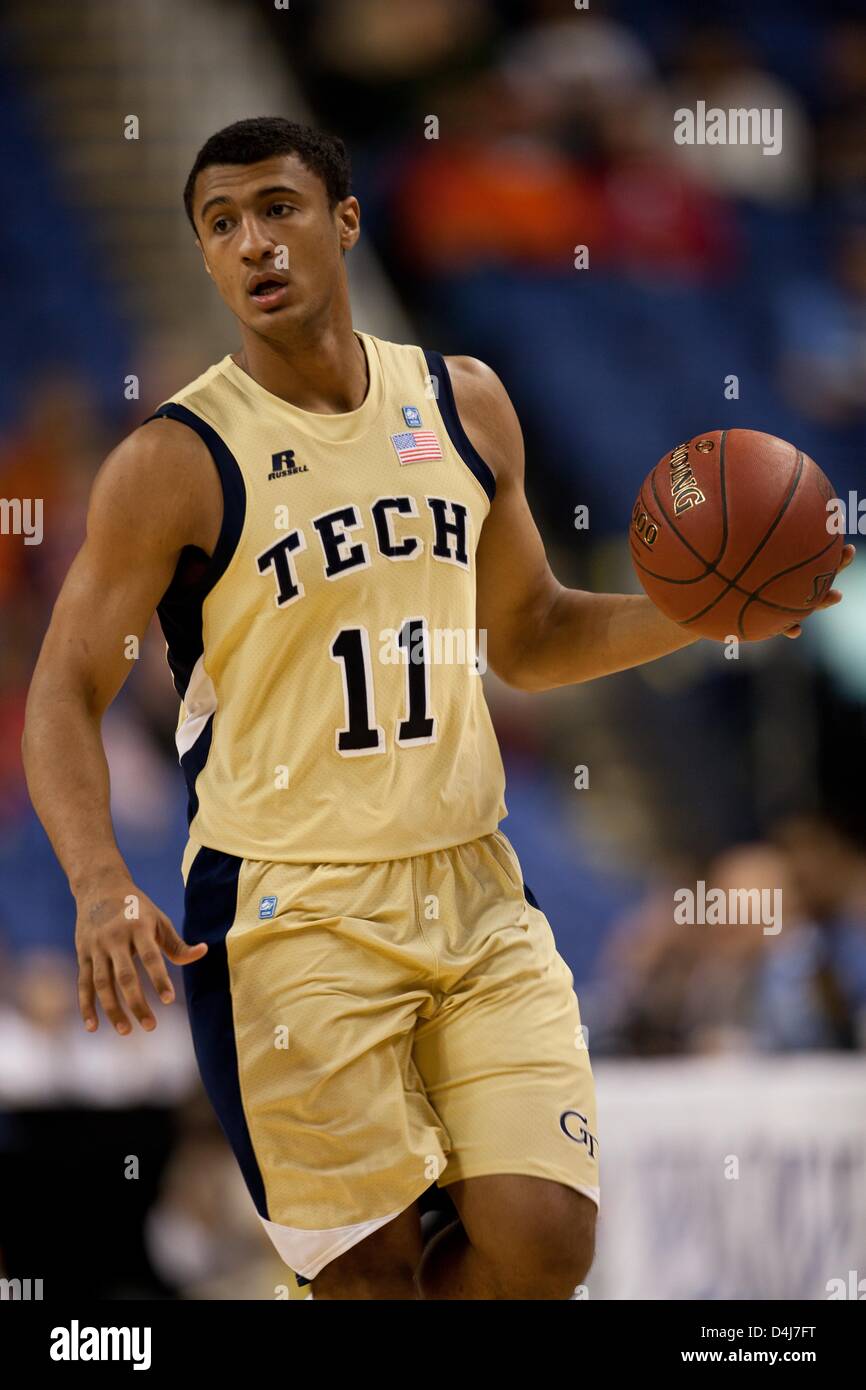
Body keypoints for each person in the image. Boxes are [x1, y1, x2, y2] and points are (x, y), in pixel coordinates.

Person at [21, 116, 853, 1300]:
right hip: (288, 909)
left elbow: (531, 635)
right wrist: (101, 881)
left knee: (545, 1239)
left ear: (345, 221)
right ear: (205, 256)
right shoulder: (176, 459)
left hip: (469, 886)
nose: (252, 243)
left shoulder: (461, 404)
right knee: (372, 1279)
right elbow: (63, 687)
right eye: (221, 224)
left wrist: (704, 612)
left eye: (278, 207)